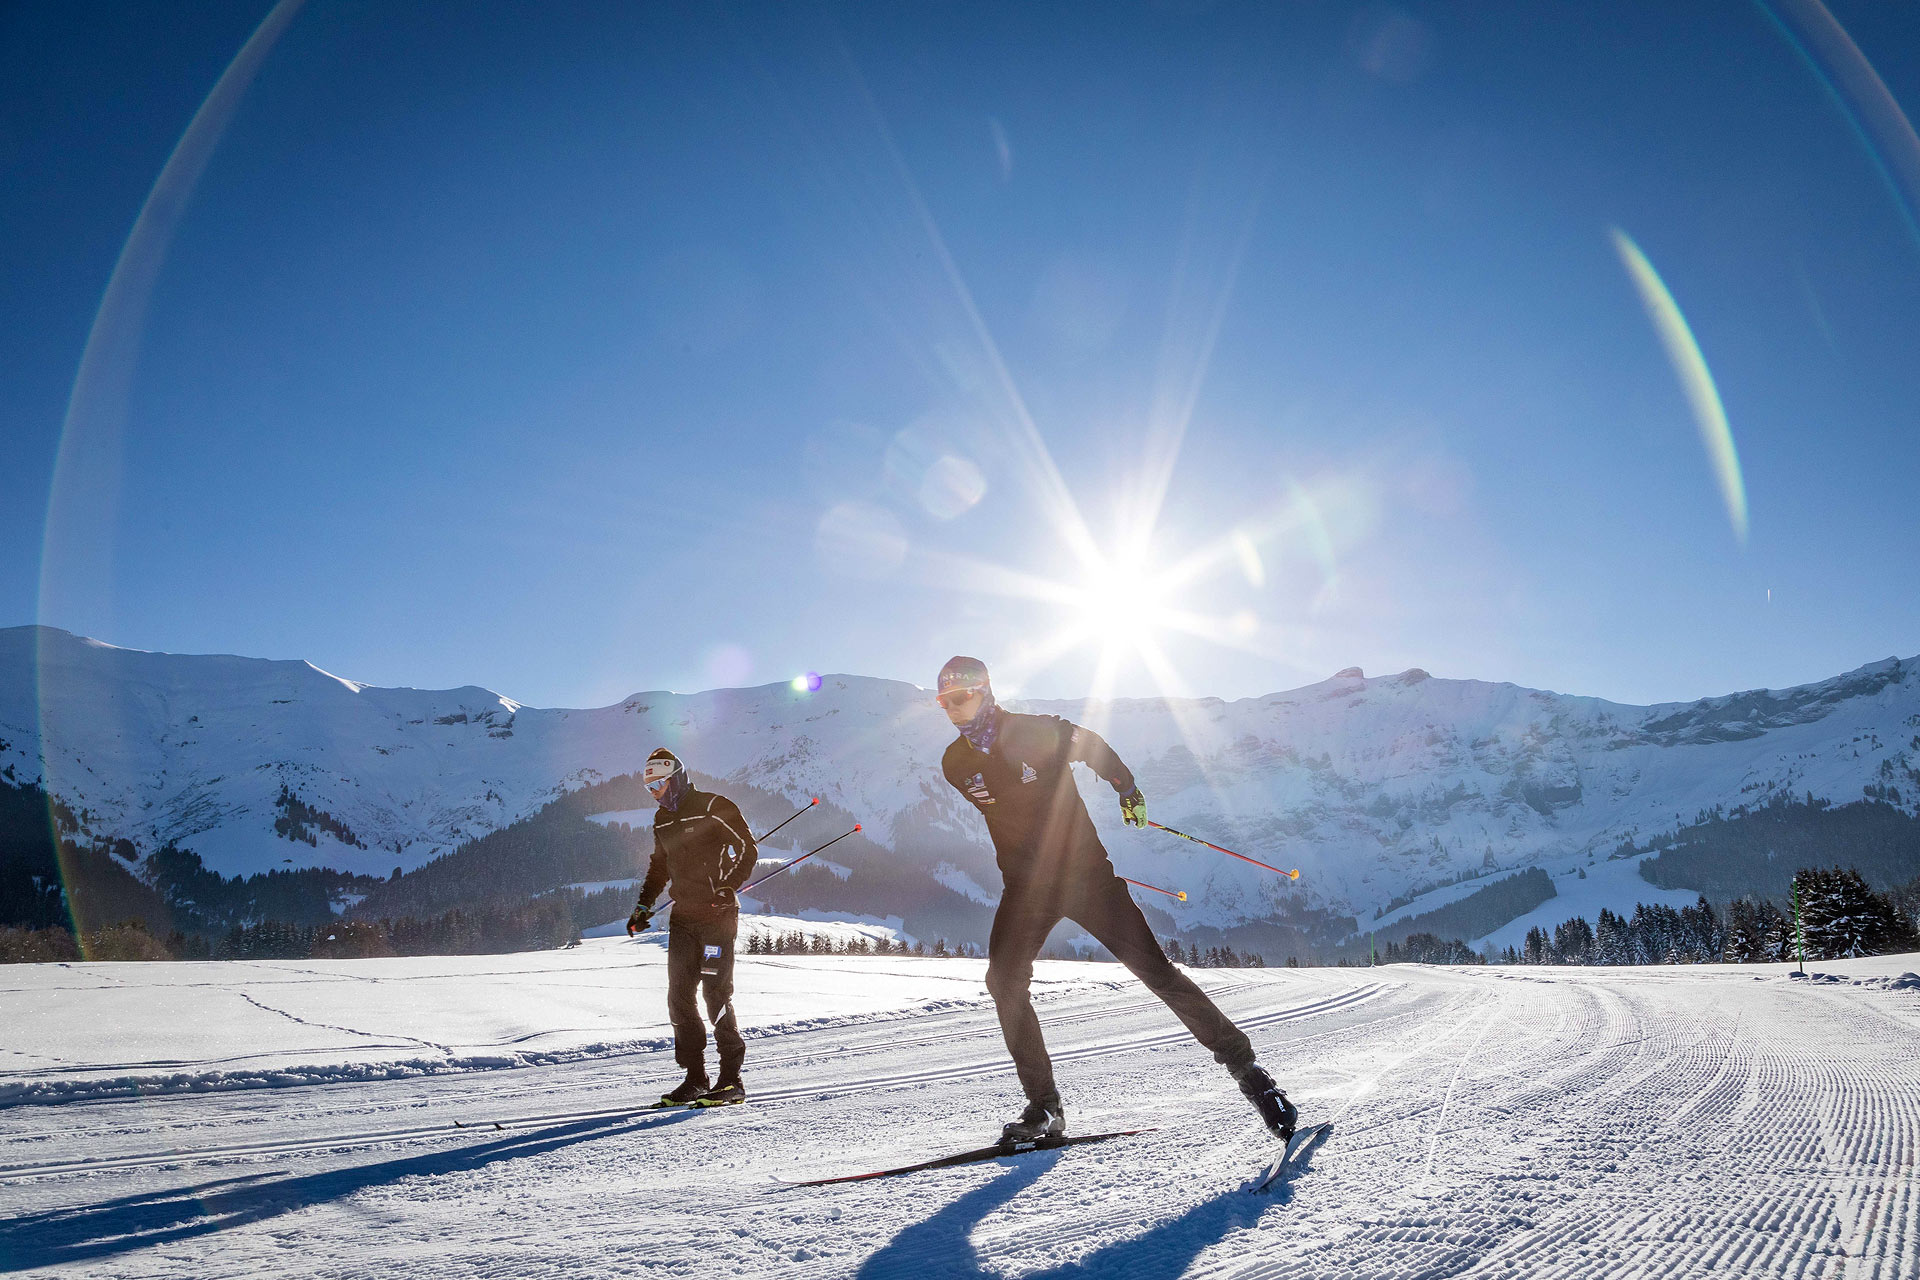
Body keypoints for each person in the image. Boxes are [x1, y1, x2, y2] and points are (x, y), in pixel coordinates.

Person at [934, 655, 1297, 1145]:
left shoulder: (1034, 731)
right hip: (1026, 891)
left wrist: (1126, 786)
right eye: (945, 702)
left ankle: (1251, 1075)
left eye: (962, 697)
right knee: (1003, 982)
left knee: (1158, 974)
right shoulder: (955, 766)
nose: (954, 709)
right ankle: (1044, 1109)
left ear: (985, 692)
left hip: (1089, 881)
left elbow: (1092, 745)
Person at [627, 747, 757, 1106]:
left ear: (676, 778)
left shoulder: (714, 806)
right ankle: (695, 1078)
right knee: (679, 998)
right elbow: (659, 866)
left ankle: (731, 1080)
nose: (654, 793)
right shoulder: (662, 820)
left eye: (658, 785)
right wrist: (642, 906)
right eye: (649, 788)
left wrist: (728, 886)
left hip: (717, 916)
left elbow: (747, 848)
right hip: (683, 918)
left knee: (716, 995)